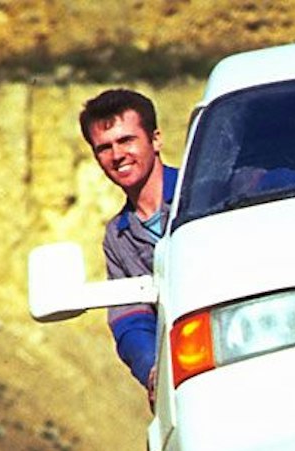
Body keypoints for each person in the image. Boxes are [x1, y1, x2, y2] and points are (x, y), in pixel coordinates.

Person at [79, 88, 175, 391]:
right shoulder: (118, 237)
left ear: (155, 139)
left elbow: (272, 183)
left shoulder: (207, 190)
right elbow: (129, 321)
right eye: (104, 148)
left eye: (126, 140)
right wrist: (152, 371)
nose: (117, 155)